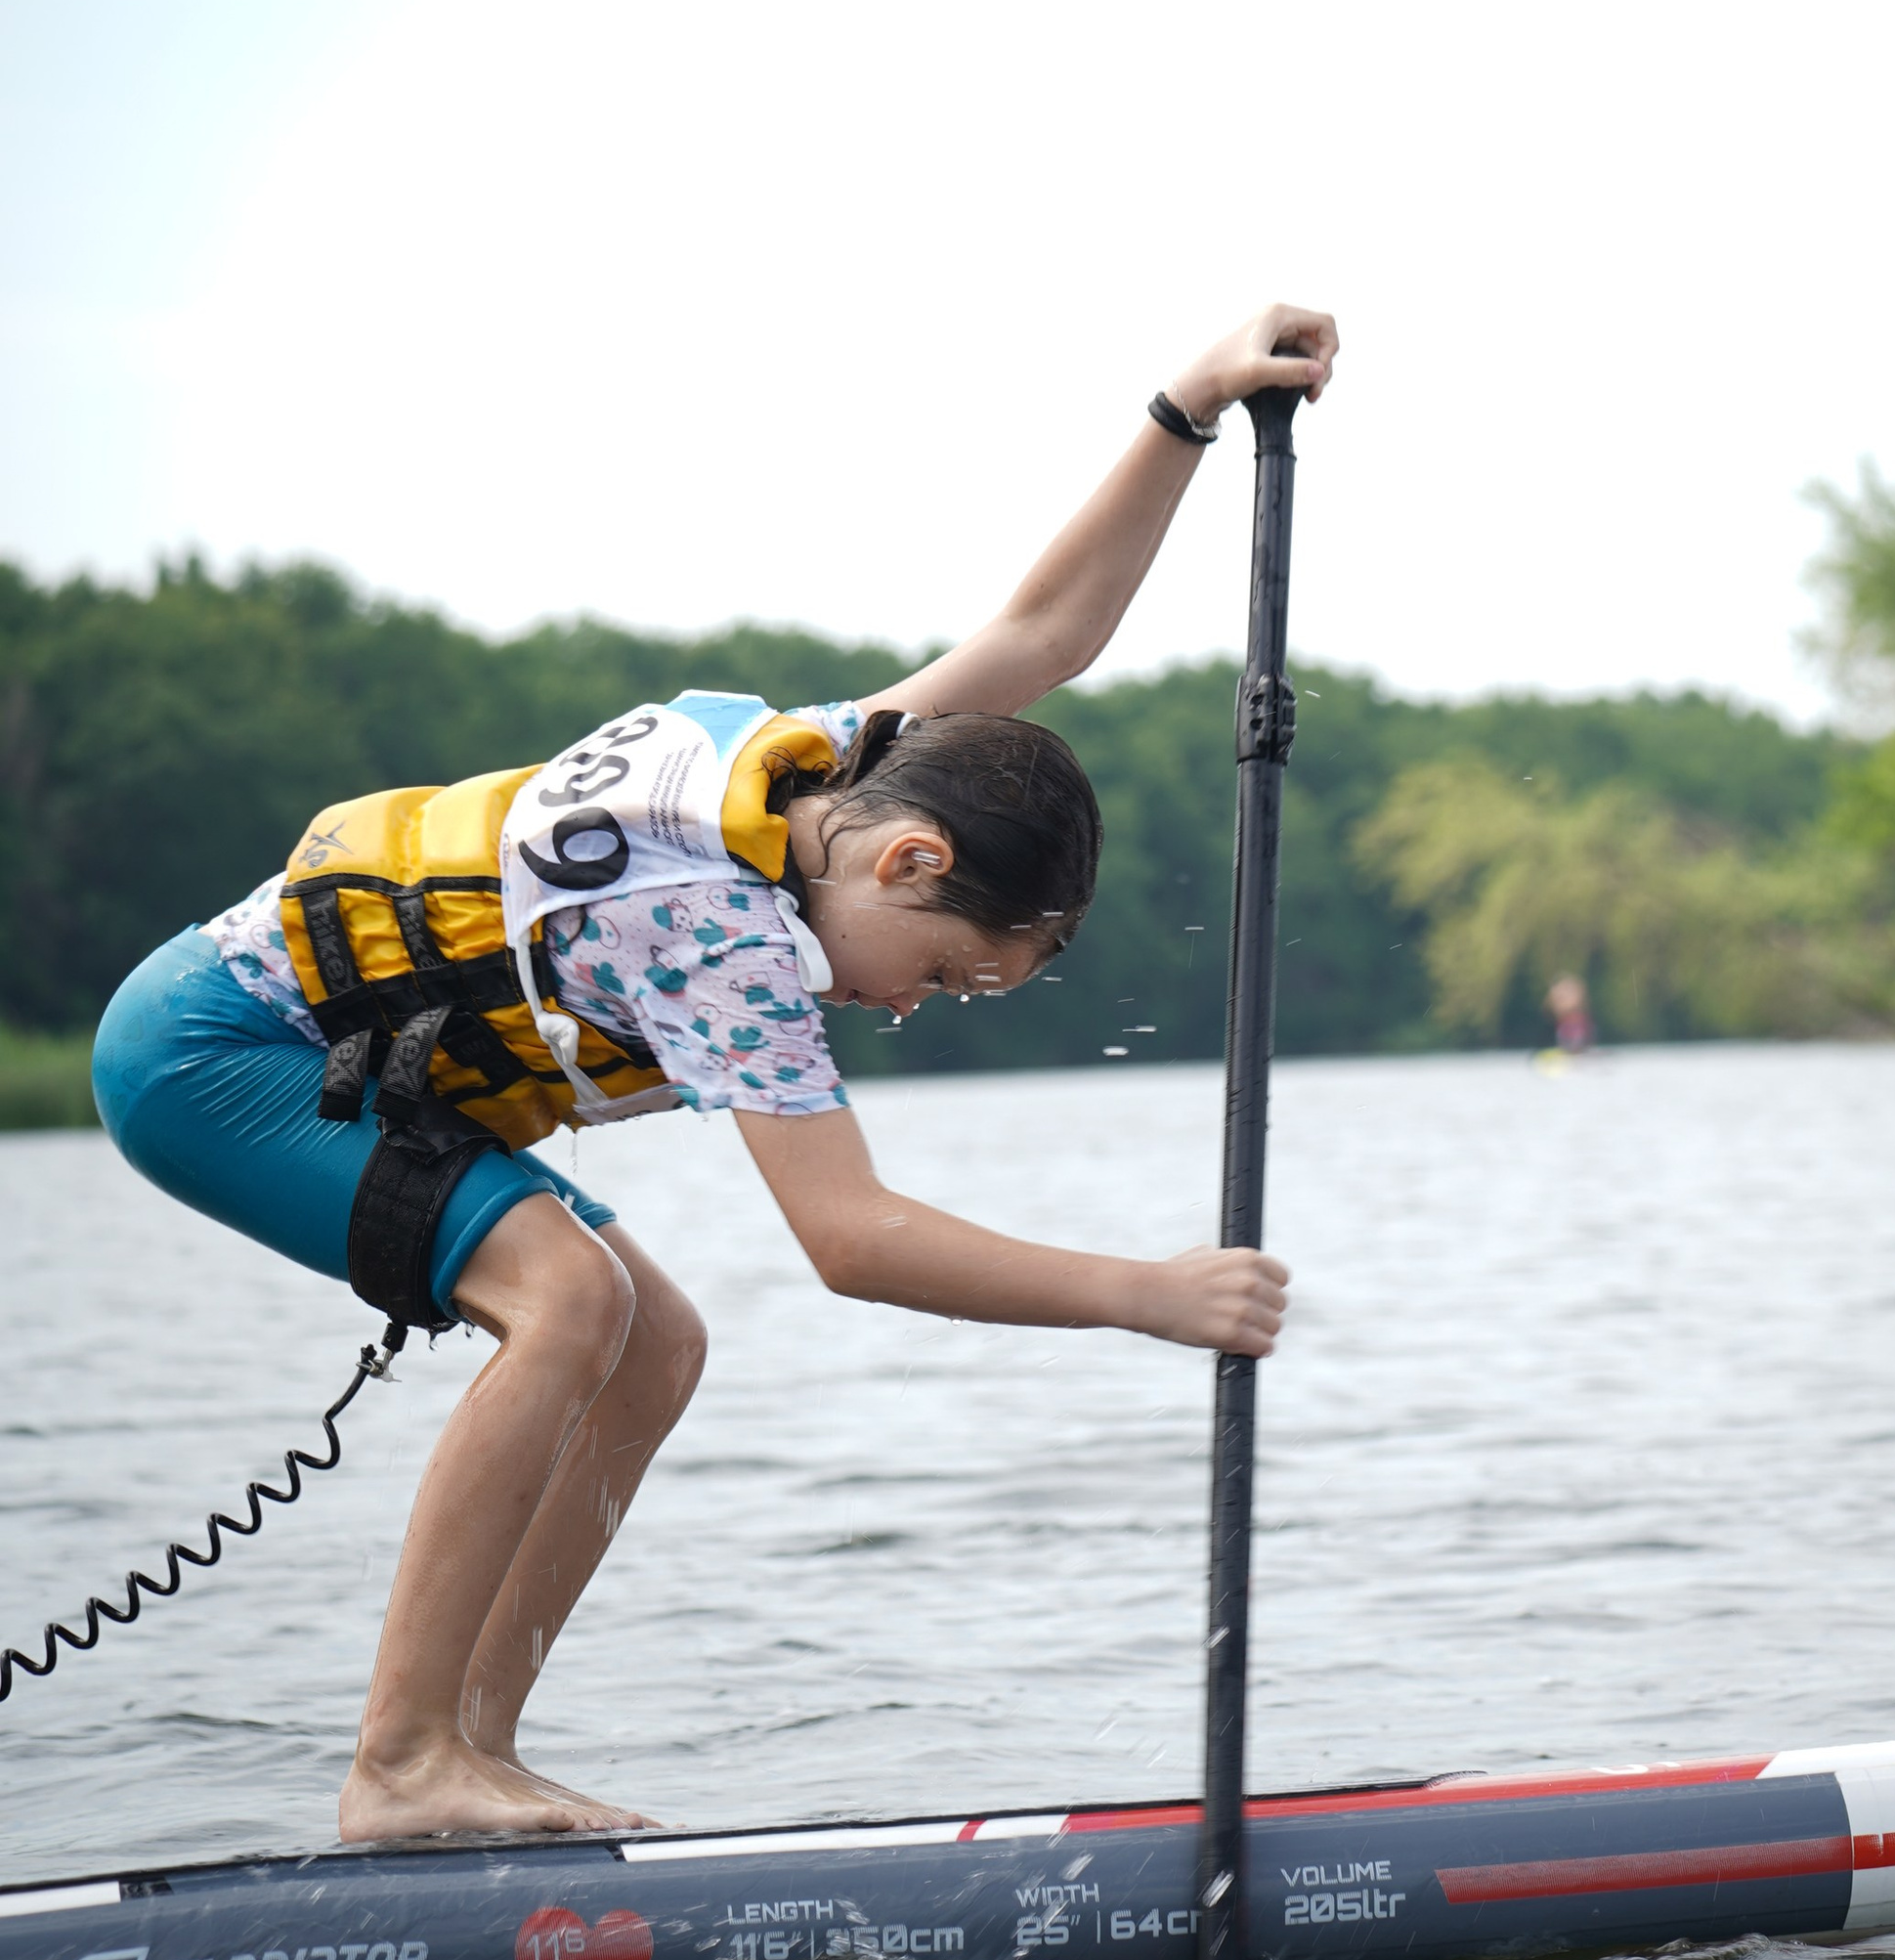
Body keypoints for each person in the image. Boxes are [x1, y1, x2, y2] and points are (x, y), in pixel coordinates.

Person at [90, 303, 1338, 1845]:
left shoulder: (839, 767)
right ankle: (399, 1765)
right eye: (943, 970)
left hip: (332, 1061)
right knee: (573, 1302)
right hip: (212, 1057)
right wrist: (1143, 1293)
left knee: (656, 1339)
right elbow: (851, 1242)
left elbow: (1048, 634)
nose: (908, 1007)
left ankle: (473, 1751)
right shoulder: (714, 933)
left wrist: (1189, 406)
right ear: (914, 857)